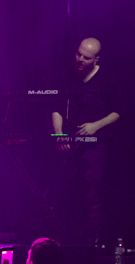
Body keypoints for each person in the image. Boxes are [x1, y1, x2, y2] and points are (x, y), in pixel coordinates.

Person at [51, 38, 120, 243]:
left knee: (91, 191)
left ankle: (92, 240)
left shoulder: (107, 79)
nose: (80, 59)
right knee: (64, 190)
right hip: (69, 143)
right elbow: (56, 106)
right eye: (78, 54)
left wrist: (95, 126)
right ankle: (63, 238)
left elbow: (118, 111)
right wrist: (58, 133)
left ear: (96, 59)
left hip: (95, 144)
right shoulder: (67, 76)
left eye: (86, 57)